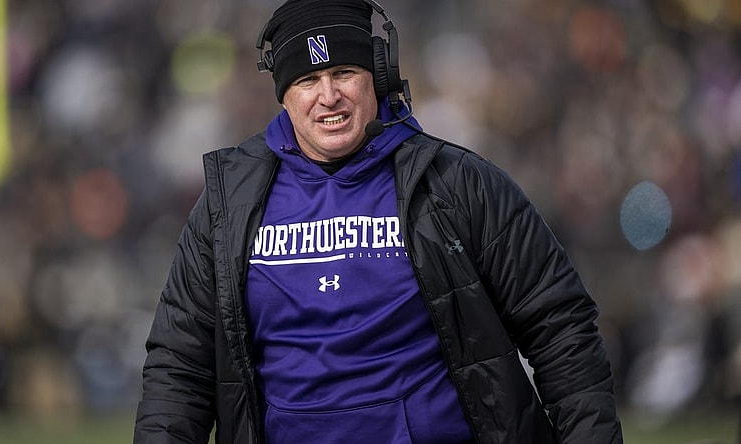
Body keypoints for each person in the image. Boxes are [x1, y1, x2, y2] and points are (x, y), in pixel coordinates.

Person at [133, 0, 623, 443]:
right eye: (307, 81)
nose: (328, 96)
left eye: (344, 72)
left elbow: (560, 329)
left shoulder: (460, 184)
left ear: (379, 76)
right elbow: (179, 365)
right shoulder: (227, 205)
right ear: (283, 94)